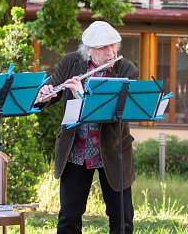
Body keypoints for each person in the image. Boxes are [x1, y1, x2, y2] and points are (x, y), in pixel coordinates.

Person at [36, 21, 139, 234]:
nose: (110, 53)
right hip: (76, 150)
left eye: (113, 46)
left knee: (122, 217)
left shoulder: (126, 69)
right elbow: (50, 97)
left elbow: (113, 113)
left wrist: (82, 95)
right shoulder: (71, 63)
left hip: (112, 150)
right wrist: (43, 95)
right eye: (103, 48)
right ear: (88, 50)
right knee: (69, 216)